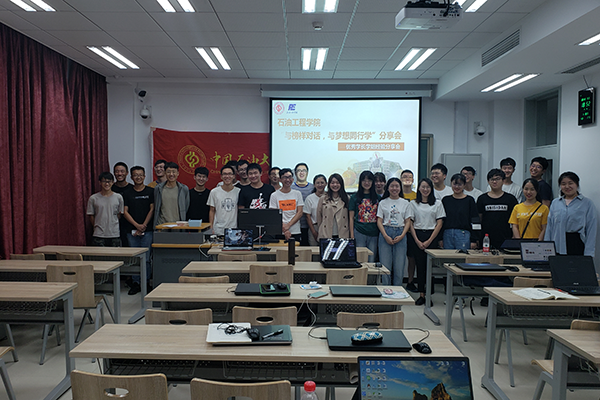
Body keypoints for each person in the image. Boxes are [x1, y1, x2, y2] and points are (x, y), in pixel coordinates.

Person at [409, 178, 445, 305]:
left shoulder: (437, 203)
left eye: (428, 187)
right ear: (418, 188)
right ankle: (421, 295)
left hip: (432, 235)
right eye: (423, 187)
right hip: (417, 235)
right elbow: (410, 223)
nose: (425, 189)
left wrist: (430, 240)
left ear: (431, 189)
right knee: (420, 266)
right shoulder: (413, 203)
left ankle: (429, 295)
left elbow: (439, 223)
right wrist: (417, 240)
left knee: (430, 268)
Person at [545, 172, 597, 256]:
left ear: (577, 184)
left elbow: (591, 229)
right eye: (563, 184)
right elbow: (550, 227)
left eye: (570, 183)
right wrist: (547, 248)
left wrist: (589, 253)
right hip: (557, 243)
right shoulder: (555, 203)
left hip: (577, 243)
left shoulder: (587, 203)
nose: (567, 186)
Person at [122, 166, 154, 295]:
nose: (138, 177)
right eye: (135, 175)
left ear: (144, 176)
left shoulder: (151, 191)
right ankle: (136, 283)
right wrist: (136, 225)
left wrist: (144, 225)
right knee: (135, 258)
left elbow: (152, 209)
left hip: (148, 230)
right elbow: (125, 211)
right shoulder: (127, 193)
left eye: (140, 175)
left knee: (146, 258)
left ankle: (145, 283)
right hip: (132, 231)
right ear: (131, 177)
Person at [376, 178, 412, 286]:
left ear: (400, 188)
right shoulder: (383, 202)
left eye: (397, 186)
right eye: (392, 186)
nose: (394, 188)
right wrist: (385, 235)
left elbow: (408, 221)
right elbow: (379, 220)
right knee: (385, 266)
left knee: (399, 266)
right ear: (388, 188)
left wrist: (402, 235)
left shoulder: (405, 203)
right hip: (386, 232)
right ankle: (386, 290)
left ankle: (398, 290)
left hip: (400, 233)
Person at [477, 169, 518, 251]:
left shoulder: (510, 199)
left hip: (505, 237)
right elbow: (479, 219)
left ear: (503, 180)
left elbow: (515, 221)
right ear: (488, 181)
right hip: (486, 238)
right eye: (492, 179)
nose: (494, 182)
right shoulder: (482, 199)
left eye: (498, 179)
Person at [441, 174, 479, 250]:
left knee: (462, 256)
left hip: (464, 234)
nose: (457, 187)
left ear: (464, 185)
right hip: (447, 234)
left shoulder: (469, 200)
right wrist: (440, 238)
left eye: (460, 184)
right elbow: (442, 221)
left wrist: (474, 239)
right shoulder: (446, 200)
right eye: (454, 184)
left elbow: (475, 221)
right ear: (451, 184)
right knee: (447, 257)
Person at [349, 171, 379, 262]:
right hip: (359, 231)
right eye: (364, 180)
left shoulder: (378, 198)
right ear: (360, 182)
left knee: (371, 259)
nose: (366, 183)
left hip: (374, 233)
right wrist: (352, 235)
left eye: (369, 180)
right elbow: (351, 217)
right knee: (359, 259)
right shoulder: (354, 197)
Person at [87, 172, 124, 247]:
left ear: (113, 182)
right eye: (104, 181)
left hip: (114, 234)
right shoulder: (93, 198)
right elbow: (91, 216)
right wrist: (98, 226)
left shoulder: (118, 197)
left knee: (115, 254)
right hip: (99, 234)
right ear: (100, 182)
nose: (106, 184)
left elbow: (119, 214)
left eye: (109, 181)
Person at [270, 168, 304, 242]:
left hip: (295, 231)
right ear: (280, 180)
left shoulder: (297, 193)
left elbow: (300, 212)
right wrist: (284, 229)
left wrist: (288, 225)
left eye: (290, 177)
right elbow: (274, 215)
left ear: (292, 179)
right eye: (285, 177)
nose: (288, 180)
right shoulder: (274, 195)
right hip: (280, 231)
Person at [207, 165, 241, 235]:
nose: (227, 176)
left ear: (234, 176)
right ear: (221, 176)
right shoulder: (214, 192)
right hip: (218, 229)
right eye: (225, 174)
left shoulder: (239, 191)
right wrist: (211, 228)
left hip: (234, 229)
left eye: (230, 174)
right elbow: (212, 211)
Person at [154, 162, 190, 226]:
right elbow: (156, 206)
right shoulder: (158, 189)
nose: (171, 174)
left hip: (178, 225)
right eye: (168, 172)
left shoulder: (184, 189)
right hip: (162, 225)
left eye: (174, 172)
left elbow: (186, 206)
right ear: (165, 173)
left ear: (178, 173)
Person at [317, 173, 350, 239]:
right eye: (332, 183)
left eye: (337, 183)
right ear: (329, 184)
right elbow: (319, 217)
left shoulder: (347, 198)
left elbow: (350, 217)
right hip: (326, 233)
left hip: (343, 233)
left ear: (341, 184)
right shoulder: (323, 198)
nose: (335, 185)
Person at [400, 169, 417, 291]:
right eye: (404, 176)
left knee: (411, 258)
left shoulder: (416, 196)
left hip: (412, 232)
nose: (407, 179)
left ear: (413, 180)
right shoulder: (396, 194)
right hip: (398, 231)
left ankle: (410, 281)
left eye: (409, 177)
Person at [292, 163, 314, 245]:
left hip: (310, 225)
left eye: (304, 170)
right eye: (299, 171)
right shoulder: (291, 188)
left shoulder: (313, 187)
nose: (301, 173)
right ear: (295, 173)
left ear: (307, 173)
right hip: (294, 226)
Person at [112, 161, 131, 246]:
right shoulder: (110, 189)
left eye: (122, 171)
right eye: (117, 171)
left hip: (129, 227)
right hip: (113, 226)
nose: (119, 174)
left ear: (127, 173)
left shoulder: (132, 188)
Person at [304, 174, 327, 246]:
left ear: (326, 184)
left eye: (322, 183)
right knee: (314, 250)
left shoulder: (329, 197)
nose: (320, 185)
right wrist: (314, 232)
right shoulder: (310, 198)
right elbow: (308, 216)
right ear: (314, 185)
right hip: (314, 226)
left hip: (327, 226)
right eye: (317, 183)